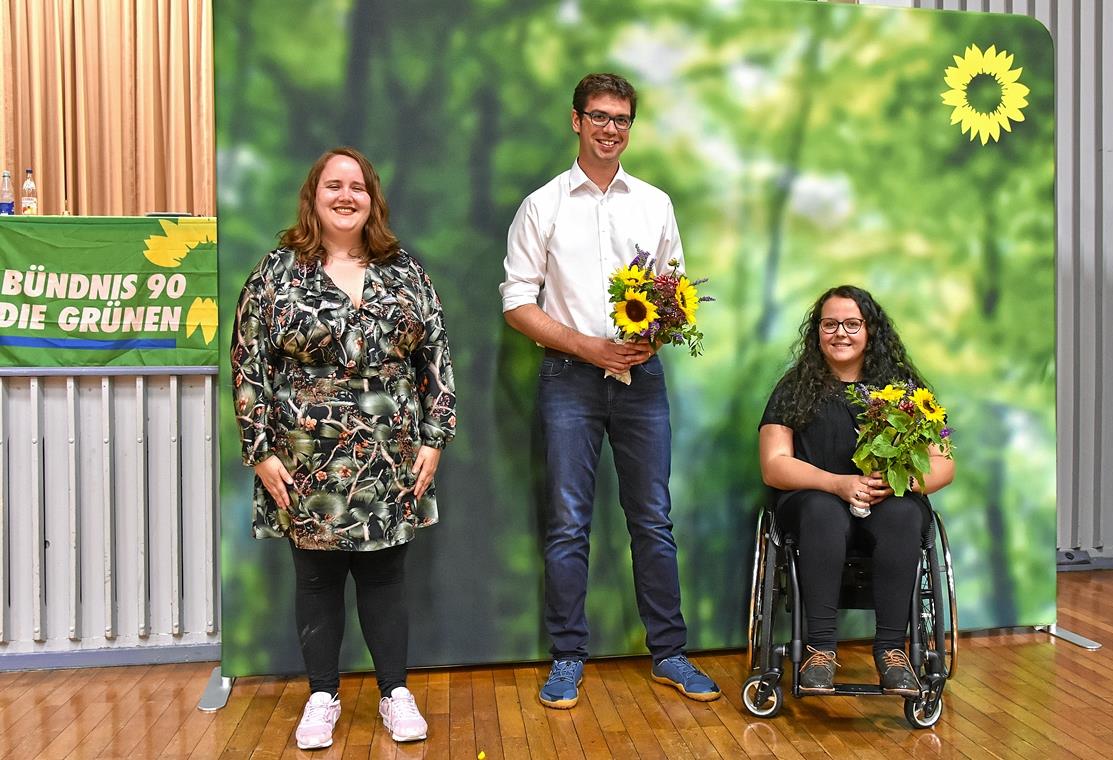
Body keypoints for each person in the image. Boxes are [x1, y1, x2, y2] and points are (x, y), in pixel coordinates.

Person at [500, 72, 719, 709]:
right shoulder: (543, 205)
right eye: (598, 116)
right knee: (569, 525)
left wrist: (659, 330)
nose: (610, 129)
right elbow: (517, 301)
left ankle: (670, 654)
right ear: (576, 121)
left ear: (630, 126)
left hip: (642, 380)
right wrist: (586, 345)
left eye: (621, 119)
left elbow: (672, 289)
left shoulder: (655, 203)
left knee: (653, 520)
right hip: (569, 379)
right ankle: (567, 658)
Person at [231, 147, 457, 749]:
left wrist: (434, 438)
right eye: (334, 185)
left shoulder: (404, 270)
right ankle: (322, 697)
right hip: (306, 455)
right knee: (317, 578)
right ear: (313, 196)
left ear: (372, 200)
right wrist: (259, 449)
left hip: (390, 452)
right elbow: (248, 363)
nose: (346, 195)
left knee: (386, 574)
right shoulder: (277, 273)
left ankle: (394, 694)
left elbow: (435, 356)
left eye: (357, 186)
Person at [757, 285, 954, 696]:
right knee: (822, 512)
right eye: (830, 324)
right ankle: (821, 652)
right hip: (815, 501)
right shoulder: (794, 389)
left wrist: (897, 484)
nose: (840, 333)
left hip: (887, 502)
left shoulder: (904, 390)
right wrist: (837, 483)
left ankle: (891, 652)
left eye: (852, 324)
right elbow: (774, 466)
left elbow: (943, 464)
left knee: (904, 514)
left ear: (870, 330)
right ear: (817, 332)